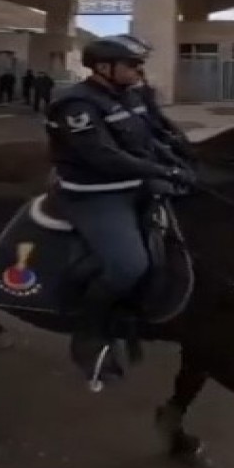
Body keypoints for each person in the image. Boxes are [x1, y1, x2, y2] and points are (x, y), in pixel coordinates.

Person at [44, 34, 196, 386]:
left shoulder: (130, 95)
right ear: (103, 68)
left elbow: (152, 137)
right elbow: (104, 157)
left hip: (137, 184)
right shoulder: (76, 105)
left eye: (139, 64)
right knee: (129, 265)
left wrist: (182, 159)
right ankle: (90, 334)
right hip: (96, 194)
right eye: (133, 64)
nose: (139, 70)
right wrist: (164, 172)